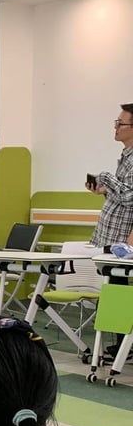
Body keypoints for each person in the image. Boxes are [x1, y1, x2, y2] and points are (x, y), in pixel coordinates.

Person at [86, 104, 133, 359]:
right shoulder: (126, 156)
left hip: (123, 238)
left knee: (118, 287)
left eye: (121, 123)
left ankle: (124, 344)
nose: (115, 127)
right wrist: (103, 189)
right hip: (111, 233)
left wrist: (107, 177)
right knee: (114, 286)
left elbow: (130, 196)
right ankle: (120, 342)